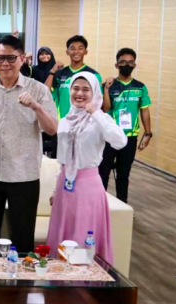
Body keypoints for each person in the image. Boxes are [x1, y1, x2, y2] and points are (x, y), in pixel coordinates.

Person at [0, 35, 58, 254]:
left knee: (22, 238)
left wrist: (36, 107)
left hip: (23, 175)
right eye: (0, 58)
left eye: (11, 58)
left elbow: (52, 129)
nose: (5, 63)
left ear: (22, 59)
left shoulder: (39, 90)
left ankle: (20, 277)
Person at [47, 71, 126, 264]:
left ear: (94, 92)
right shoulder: (65, 120)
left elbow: (120, 141)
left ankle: (83, 275)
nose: (79, 93)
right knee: (63, 231)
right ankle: (61, 274)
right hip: (65, 185)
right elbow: (63, 160)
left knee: (84, 233)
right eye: (75, 88)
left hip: (88, 185)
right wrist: (55, 189)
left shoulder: (99, 120)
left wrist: (96, 113)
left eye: (85, 89)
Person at [99, 48, 152, 204]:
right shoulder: (109, 85)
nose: (127, 65)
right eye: (123, 62)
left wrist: (148, 133)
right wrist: (106, 89)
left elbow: (145, 110)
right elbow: (105, 109)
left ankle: (122, 205)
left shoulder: (140, 87)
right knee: (103, 172)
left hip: (130, 137)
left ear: (134, 65)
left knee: (123, 174)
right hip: (110, 136)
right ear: (117, 65)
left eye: (130, 62)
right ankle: (100, 205)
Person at [46, 35, 102, 119]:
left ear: (85, 52)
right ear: (67, 52)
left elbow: (98, 102)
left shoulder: (94, 75)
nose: (76, 52)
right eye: (72, 48)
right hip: (63, 122)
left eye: (80, 48)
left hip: (85, 122)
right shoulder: (59, 74)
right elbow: (45, 92)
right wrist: (53, 71)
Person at [31, 47, 58, 157]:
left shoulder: (58, 70)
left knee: (54, 132)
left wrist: (53, 71)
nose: (44, 56)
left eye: (47, 54)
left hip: (54, 105)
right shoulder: (34, 69)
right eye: (41, 54)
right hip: (37, 105)